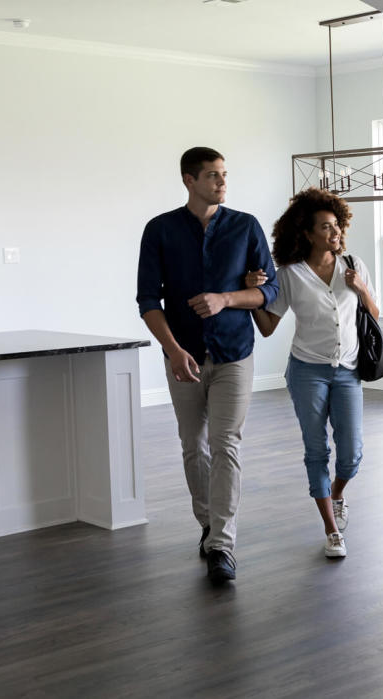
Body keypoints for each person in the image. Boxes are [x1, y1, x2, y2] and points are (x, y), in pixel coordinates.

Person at [136, 146, 278, 585]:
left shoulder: (245, 226)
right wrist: (174, 350)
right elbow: (147, 300)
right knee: (192, 444)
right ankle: (208, 524)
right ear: (188, 180)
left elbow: (269, 291)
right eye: (213, 175)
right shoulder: (159, 230)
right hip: (183, 356)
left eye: (224, 175)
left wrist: (226, 298)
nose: (222, 183)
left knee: (226, 444)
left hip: (234, 352)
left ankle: (222, 544)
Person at [247, 188, 377, 558]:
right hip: (307, 371)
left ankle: (336, 494)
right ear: (306, 232)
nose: (334, 233)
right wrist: (251, 297)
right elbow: (269, 326)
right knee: (316, 449)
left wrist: (361, 287)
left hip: (348, 370)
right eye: (325, 227)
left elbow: (375, 314)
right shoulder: (290, 274)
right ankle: (332, 531)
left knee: (351, 454)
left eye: (336, 225)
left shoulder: (354, 263)